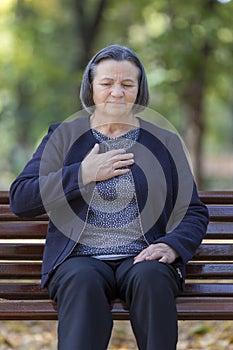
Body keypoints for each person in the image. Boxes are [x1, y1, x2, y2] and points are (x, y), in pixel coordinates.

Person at [10, 44, 209, 350]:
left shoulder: (164, 142)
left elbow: (193, 211)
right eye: (106, 83)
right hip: (79, 259)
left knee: (153, 277)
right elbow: (21, 199)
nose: (117, 92)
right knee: (82, 281)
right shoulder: (63, 137)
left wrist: (172, 245)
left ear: (139, 91)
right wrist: (81, 174)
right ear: (90, 89)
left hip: (141, 256)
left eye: (127, 84)